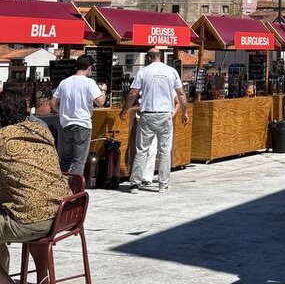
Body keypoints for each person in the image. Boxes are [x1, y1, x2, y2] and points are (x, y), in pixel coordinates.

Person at [0, 89, 69, 284]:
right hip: (62, 214)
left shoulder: (2, 138)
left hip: (33, 221)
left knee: (28, 213)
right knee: (33, 208)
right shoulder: (42, 129)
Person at [121, 47, 188, 193]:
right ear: (161, 56)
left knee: (142, 150)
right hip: (165, 114)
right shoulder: (171, 71)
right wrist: (184, 112)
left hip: (148, 114)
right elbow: (181, 93)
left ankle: (135, 184)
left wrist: (125, 109)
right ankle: (163, 184)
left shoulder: (143, 71)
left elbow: (133, 93)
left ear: (148, 58)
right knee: (164, 151)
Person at [50, 54, 106, 174]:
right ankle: (75, 184)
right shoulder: (89, 82)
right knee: (78, 161)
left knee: (65, 159)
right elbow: (100, 102)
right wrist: (103, 90)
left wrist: (61, 112)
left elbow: (53, 103)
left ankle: (62, 183)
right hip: (82, 125)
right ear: (89, 68)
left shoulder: (64, 82)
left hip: (65, 124)